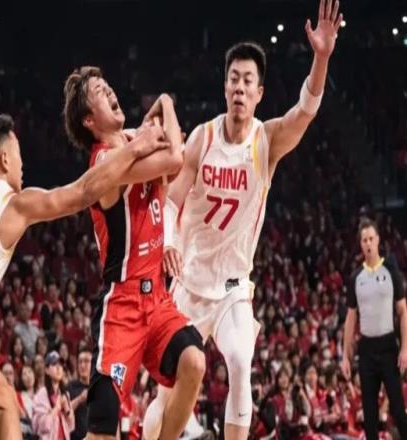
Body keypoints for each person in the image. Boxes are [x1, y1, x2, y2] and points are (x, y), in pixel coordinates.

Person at [143, 1, 343, 439]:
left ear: (259, 93)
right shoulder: (202, 137)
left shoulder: (266, 141)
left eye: (248, 80)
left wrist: (321, 57)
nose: (239, 87)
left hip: (233, 285)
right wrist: (169, 241)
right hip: (189, 282)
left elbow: (305, 111)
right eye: (233, 78)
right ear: (224, 86)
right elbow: (172, 201)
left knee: (238, 359)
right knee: (165, 392)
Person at [0, 113, 172, 440]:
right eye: (18, 154)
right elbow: (82, 191)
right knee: (4, 402)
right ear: (5, 159)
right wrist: (135, 148)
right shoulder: (14, 204)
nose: (23, 164)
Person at [63, 67, 206, 440]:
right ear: (89, 120)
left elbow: (173, 157)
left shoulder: (132, 140)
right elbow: (175, 157)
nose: (110, 90)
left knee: (194, 361)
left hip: (156, 298)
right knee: (102, 430)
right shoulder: (104, 162)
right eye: (99, 91)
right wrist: (166, 103)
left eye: (107, 85)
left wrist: (157, 128)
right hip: (122, 306)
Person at [341, 218, 407, 439]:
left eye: (371, 238)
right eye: (364, 240)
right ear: (360, 244)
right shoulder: (355, 277)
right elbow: (350, 319)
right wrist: (345, 356)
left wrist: (405, 348)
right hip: (367, 350)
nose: (368, 243)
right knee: (369, 417)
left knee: (398, 410)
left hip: (388, 347)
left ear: (378, 240)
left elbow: (403, 311)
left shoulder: (391, 271)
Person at [32, 351, 74, 440]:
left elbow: (71, 426)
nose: (58, 368)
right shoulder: (41, 395)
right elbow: (39, 427)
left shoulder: (65, 394)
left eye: (60, 365)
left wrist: (67, 411)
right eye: (54, 364)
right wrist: (56, 409)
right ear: (47, 370)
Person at [68, 348, 92, 440]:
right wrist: (80, 399)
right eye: (80, 362)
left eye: (86, 361)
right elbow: (64, 413)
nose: (82, 365)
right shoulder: (71, 386)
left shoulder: (98, 388)